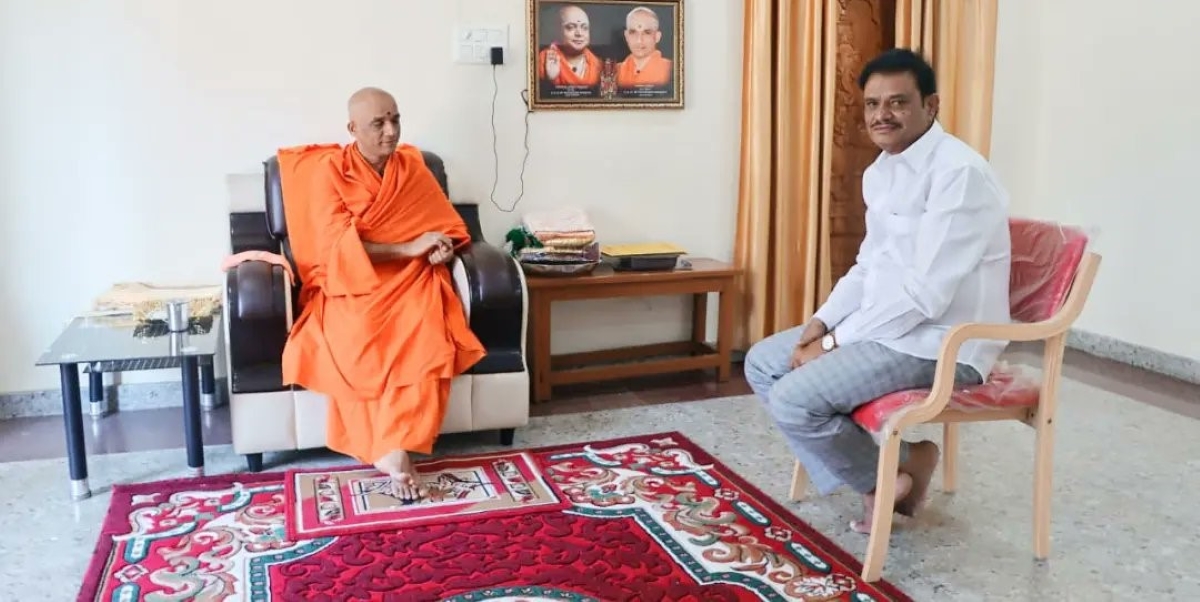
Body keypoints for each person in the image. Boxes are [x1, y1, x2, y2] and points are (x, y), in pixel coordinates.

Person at [744, 48, 1012, 532]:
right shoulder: (881, 171)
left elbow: (924, 298)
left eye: (897, 103)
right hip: (886, 325)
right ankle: (897, 469)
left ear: (930, 106)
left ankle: (881, 484)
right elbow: (870, 266)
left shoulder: (959, 174)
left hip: (943, 339)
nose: (881, 115)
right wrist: (821, 322)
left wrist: (831, 345)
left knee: (793, 400)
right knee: (763, 363)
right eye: (872, 104)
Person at [277, 87, 486, 501]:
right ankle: (387, 447)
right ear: (353, 128)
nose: (391, 132)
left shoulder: (411, 166)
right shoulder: (330, 172)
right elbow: (332, 247)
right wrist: (405, 247)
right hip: (350, 282)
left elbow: (444, 225)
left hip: (412, 278)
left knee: (426, 337)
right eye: (378, 124)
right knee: (354, 341)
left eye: (395, 119)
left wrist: (442, 247)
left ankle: (396, 445)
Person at [537, 5, 601, 87]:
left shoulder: (598, 65)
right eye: (570, 27)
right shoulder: (543, 59)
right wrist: (550, 80)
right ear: (558, 30)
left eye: (584, 28)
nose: (579, 33)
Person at [616, 7, 672, 88]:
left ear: (657, 37)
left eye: (647, 33)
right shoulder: (614, 72)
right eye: (633, 32)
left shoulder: (671, 70)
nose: (639, 40)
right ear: (626, 36)